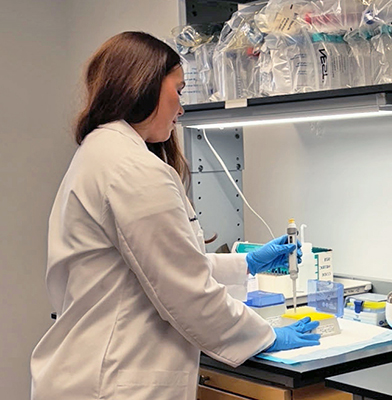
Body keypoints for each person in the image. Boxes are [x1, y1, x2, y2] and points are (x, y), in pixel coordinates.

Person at [30, 31, 320, 400]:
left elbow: (155, 269)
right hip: (111, 379)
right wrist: (264, 335)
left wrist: (246, 264)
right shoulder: (130, 168)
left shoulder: (103, 153)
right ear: (145, 85)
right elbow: (185, 292)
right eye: (179, 91)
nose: (181, 108)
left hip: (93, 368)